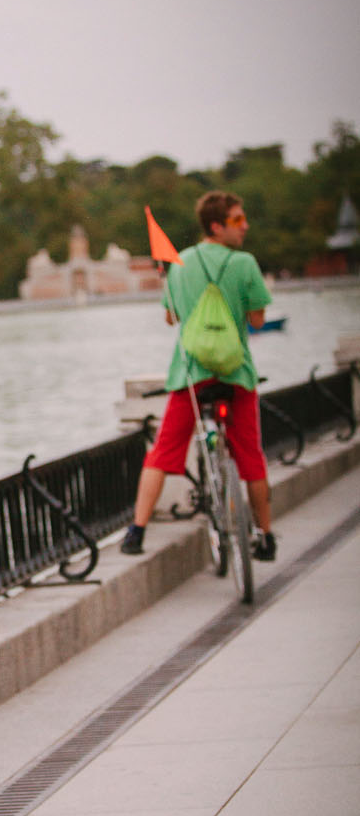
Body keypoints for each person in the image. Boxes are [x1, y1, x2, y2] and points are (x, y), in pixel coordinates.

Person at [121, 191, 276, 560]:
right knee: (251, 457)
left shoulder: (180, 263)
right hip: (237, 375)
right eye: (239, 220)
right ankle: (266, 537)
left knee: (162, 454)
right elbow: (257, 320)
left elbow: (171, 317)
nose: (245, 227)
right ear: (217, 225)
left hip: (190, 377)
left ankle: (136, 532)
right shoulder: (245, 264)